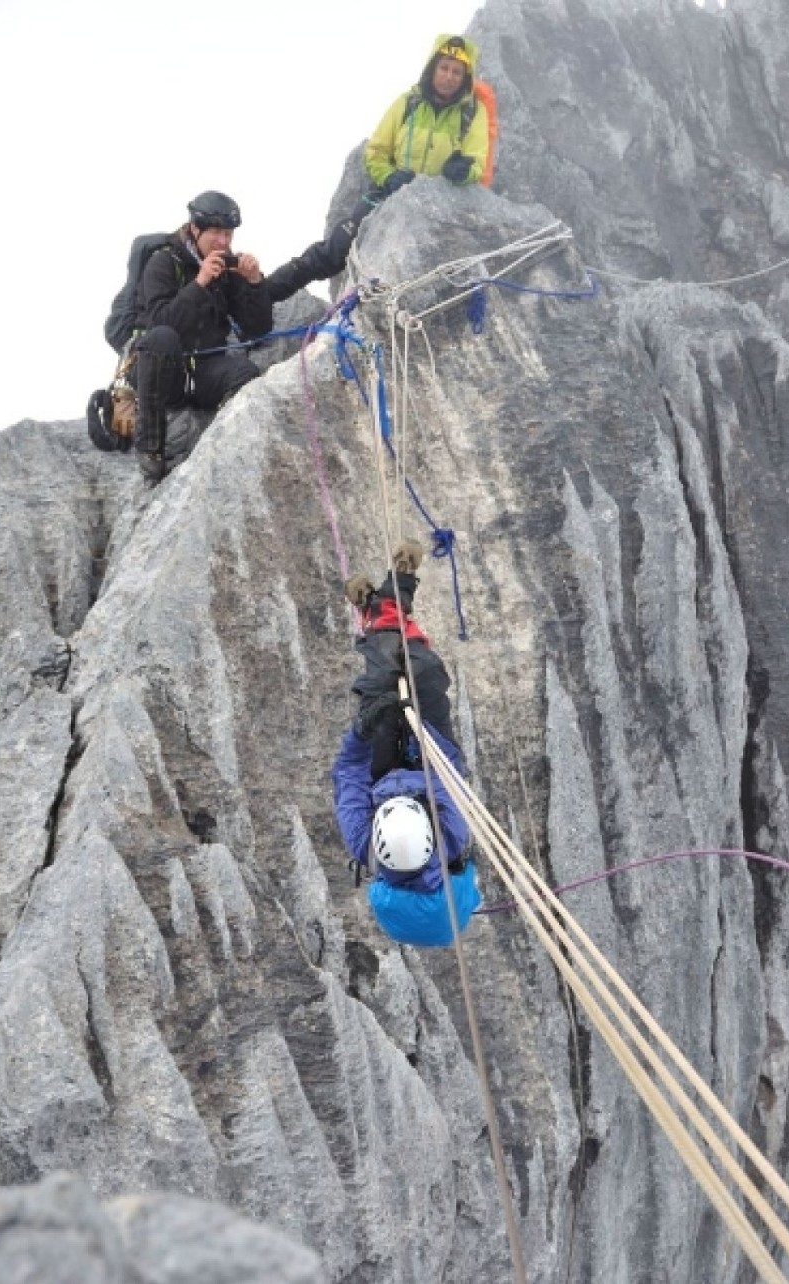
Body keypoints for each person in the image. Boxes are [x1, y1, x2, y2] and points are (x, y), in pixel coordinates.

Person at [129, 191, 353, 481]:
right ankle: (151, 451)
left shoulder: (225, 267)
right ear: (195, 229)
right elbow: (161, 322)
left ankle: (225, 445)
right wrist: (199, 284)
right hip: (167, 370)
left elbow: (255, 328)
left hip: (204, 371)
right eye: (216, 234)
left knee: (244, 372)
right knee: (160, 339)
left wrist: (254, 283)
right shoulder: (163, 262)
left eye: (228, 234)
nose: (223, 242)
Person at [331, 539, 482, 947]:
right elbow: (449, 772)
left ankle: (378, 611)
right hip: (431, 765)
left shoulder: (365, 843)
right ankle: (393, 597)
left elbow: (348, 775)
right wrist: (423, 730)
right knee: (425, 675)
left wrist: (363, 731)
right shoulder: (451, 835)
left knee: (379, 686)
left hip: (382, 772)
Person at [334, 34, 490, 251]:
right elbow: (376, 151)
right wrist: (389, 177)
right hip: (388, 196)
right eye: (444, 68)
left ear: (465, 78)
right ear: (432, 69)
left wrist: (463, 172)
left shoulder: (473, 112)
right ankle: (277, 284)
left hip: (443, 207)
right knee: (334, 250)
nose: (449, 76)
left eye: (457, 72)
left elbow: (477, 161)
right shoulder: (408, 102)